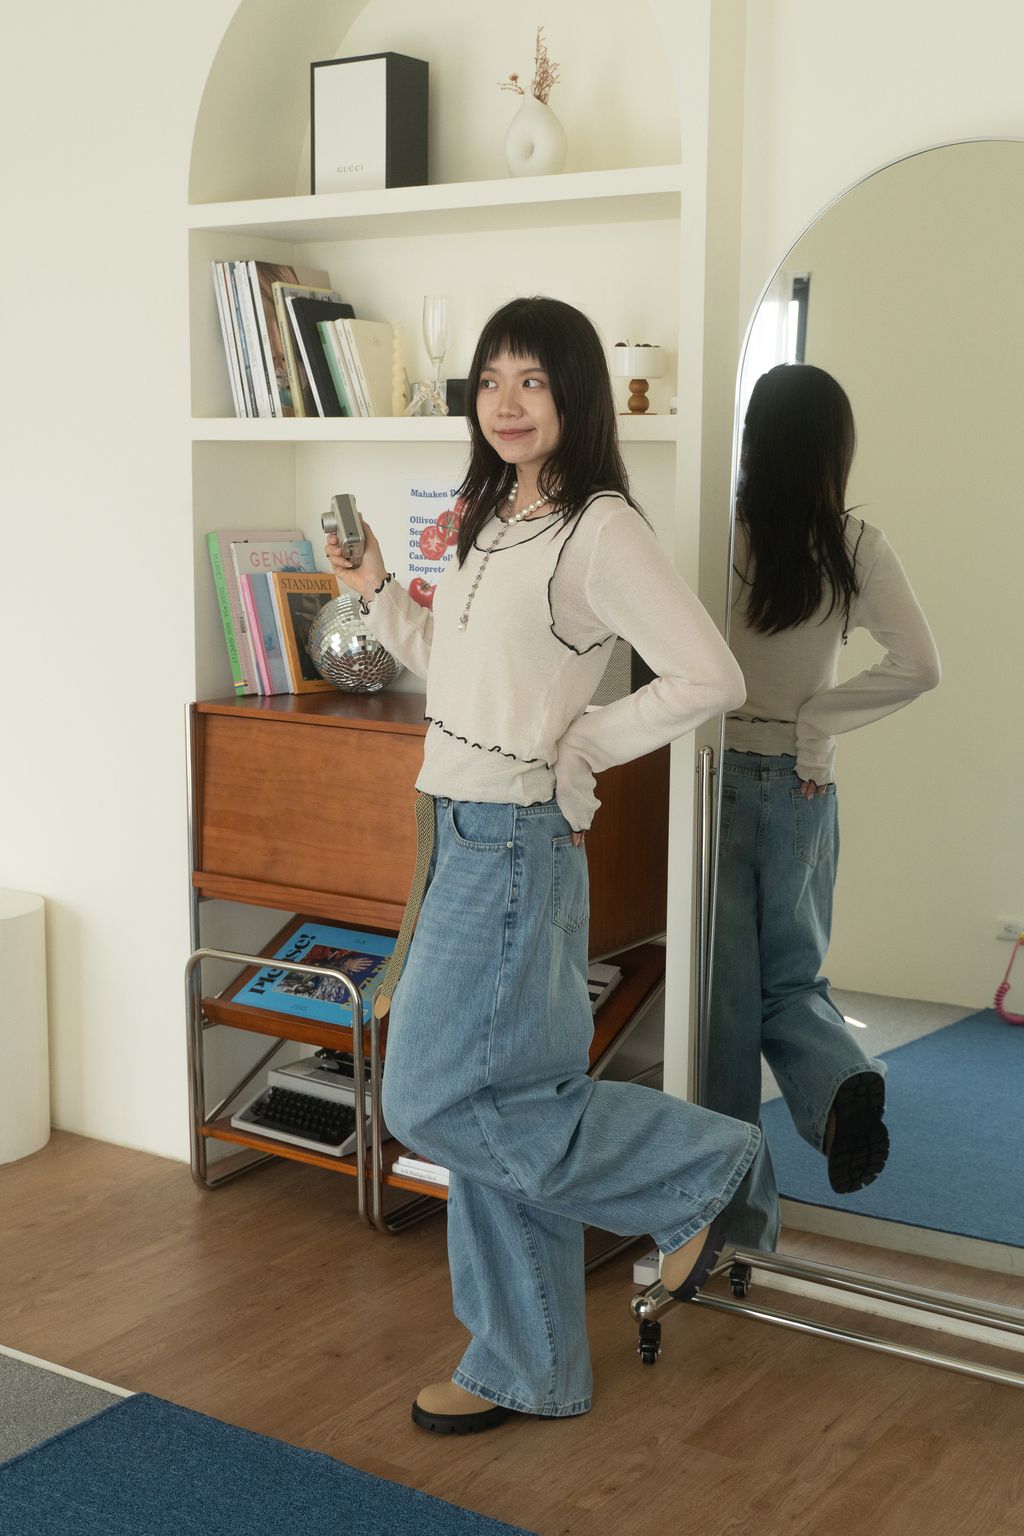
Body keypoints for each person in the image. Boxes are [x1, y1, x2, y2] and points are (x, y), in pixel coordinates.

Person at [324, 295, 761, 1434]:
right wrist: (377, 591)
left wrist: (585, 742)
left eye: (532, 379)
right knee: (507, 1105)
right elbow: (461, 671)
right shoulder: (495, 514)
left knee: (428, 1097)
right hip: (456, 827)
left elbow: (711, 677)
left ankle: (705, 1168)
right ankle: (527, 1365)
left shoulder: (599, 528)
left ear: (575, 391)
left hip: (513, 841)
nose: (506, 402)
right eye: (490, 380)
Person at [705, 362, 941, 1252]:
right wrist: (817, 724)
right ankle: (840, 1084)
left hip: (714, 779)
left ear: (754, 441)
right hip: (802, 784)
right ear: (836, 449)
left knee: (725, 1013)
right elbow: (919, 666)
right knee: (794, 982)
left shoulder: (715, 533)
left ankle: (731, 1233)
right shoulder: (854, 544)